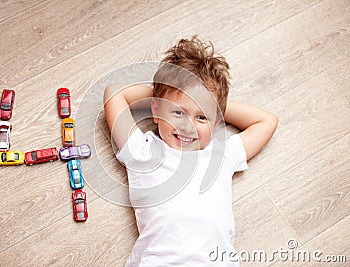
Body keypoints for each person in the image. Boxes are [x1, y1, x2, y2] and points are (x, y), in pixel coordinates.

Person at [103, 36, 278, 266]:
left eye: (201, 117)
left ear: (216, 123)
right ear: (155, 111)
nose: (188, 126)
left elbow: (266, 121)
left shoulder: (221, 155)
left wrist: (214, 106)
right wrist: (162, 94)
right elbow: (114, 94)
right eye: (177, 113)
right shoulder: (143, 151)